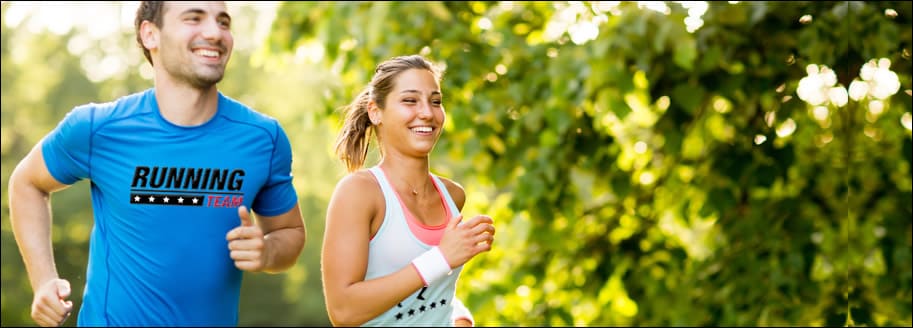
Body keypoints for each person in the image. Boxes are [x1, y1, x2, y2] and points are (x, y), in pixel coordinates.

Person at [7, 1, 306, 326]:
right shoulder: (97, 128)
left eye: (223, 22)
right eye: (194, 18)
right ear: (150, 34)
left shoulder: (264, 138)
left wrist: (267, 252)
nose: (214, 33)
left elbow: (289, 232)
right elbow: (27, 183)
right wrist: (43, 281)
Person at [322, 54, 496, 326]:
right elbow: (344, 311)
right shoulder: (360, 193)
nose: (427, 112)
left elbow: (431, 294)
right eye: (410, 100)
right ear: (375, 111)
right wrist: (441, 257)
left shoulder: (452, 195)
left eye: (435, 101)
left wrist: (460, 316)